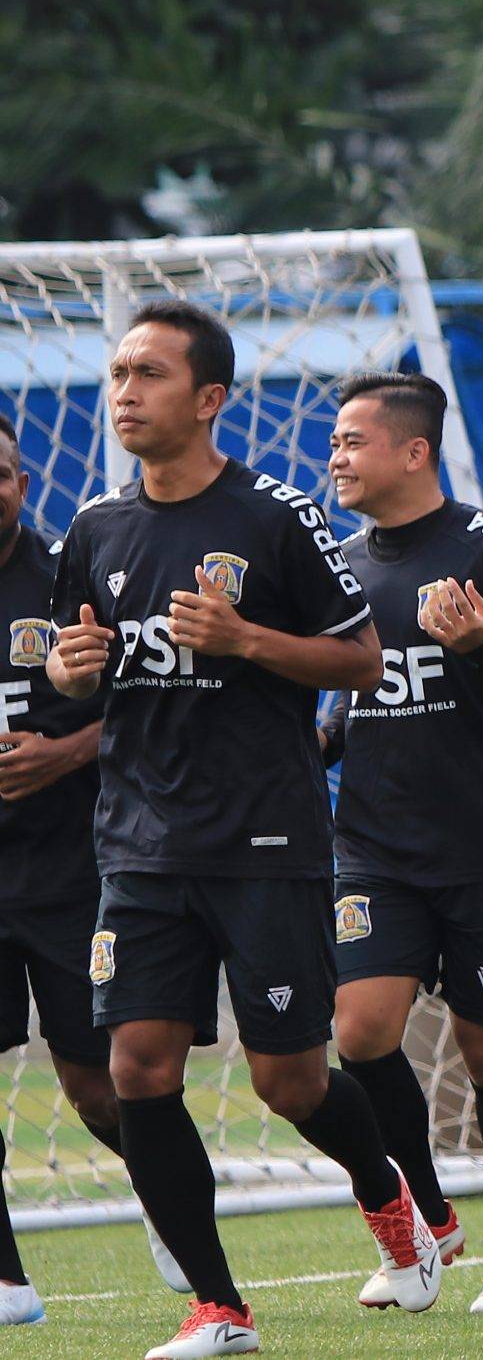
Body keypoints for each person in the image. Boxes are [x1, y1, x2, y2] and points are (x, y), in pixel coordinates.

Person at [47, 302, 438, 1359]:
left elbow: (361, 660)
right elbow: (70, 658)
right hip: (136, 844)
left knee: (290, 1081)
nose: (124, 391)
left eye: (150, 374)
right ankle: (219, 1307)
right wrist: (68, 670)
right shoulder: (93, 527)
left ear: (209, 398)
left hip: (266, 839)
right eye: (118, 372)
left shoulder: (276, 514)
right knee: (137, 1068)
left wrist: (246, 636)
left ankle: (382, 1185)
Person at [320, 372, 483, 1314]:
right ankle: (428, 1211)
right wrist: (327, 735)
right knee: (360, 1030)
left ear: (414, 451)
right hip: (375, 846)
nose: (337, 457)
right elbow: (355, 690)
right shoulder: (344, 563)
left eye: (353, 440)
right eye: (335, 442)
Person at [0, 414, 124, 1325]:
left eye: (1, 472)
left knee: (96, 1080)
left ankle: (165, 1197)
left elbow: (152, 710)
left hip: (70, 868)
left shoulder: (66, 576)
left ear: (24, 483)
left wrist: (62, 754)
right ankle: (8, 1280)